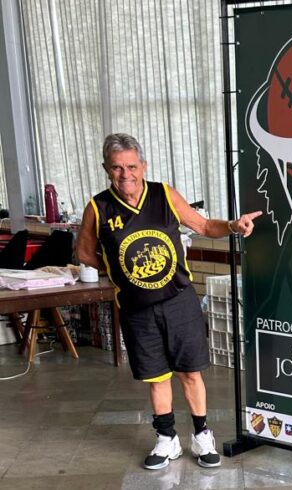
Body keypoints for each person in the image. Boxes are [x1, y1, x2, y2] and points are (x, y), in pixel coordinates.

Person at [75, 133, 261, 470]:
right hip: (136, 310)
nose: (125, 174)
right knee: (157, 377)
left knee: (190, 373)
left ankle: (202, 435)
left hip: (179, 301)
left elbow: (203, 224)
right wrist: (120, 271)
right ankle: (167, 439)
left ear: (143, 166)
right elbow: (84, 252)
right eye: (116, 168)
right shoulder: (97, 207)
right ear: (106, 169)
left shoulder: (163, 195)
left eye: (132, 166)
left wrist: (233, 225)